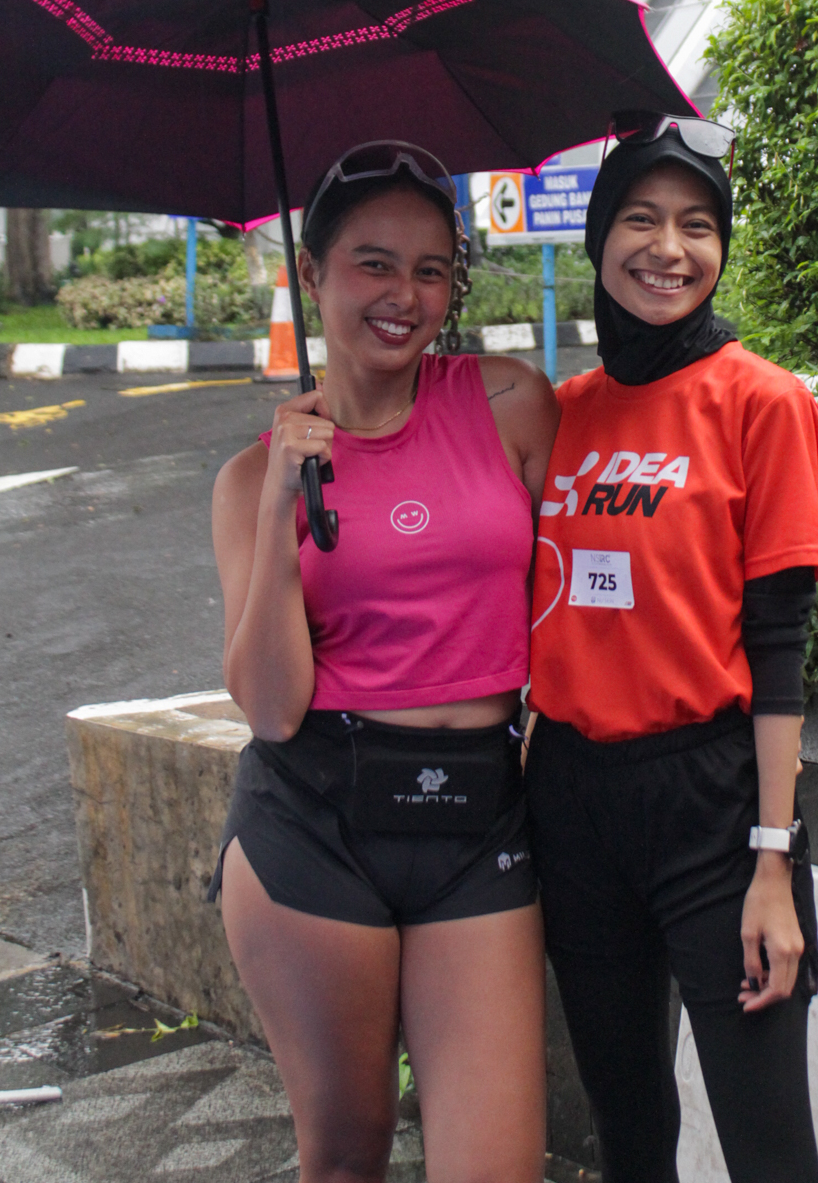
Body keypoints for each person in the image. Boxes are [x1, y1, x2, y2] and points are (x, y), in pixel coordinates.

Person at [209, 142, 560, 1183]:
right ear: (310, 273)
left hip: (479, 823)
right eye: (373, 264)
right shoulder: (249, 480)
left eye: (431, 270)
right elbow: (270, 709)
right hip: (314, 825)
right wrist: (281, 508)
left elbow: (576, 593)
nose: (405, 297)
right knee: (346, 1156)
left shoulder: (509, 403)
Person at [524, 113, 818, 1183]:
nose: (669, 248)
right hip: (571, 803)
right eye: (641, 220)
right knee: (628, 1136)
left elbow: (780, 647)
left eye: (698, 226)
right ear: (598, 239)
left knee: (768, 1150)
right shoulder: (559, 415)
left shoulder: (761, 402)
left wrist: (771, 862)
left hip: (712, 811)